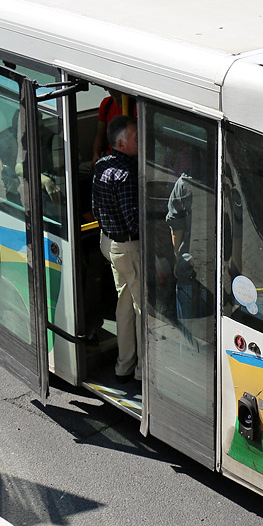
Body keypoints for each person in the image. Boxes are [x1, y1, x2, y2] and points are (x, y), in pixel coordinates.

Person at [92, 115, 142, 382]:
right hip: (130, 247)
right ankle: (143, 371)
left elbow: (97, 208)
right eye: (136, 137)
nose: (141, 140)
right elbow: (134, 220)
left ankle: (124, 365)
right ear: (122, 145)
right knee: (143, 309)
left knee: (124, 306)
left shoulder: (102, 166)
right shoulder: (127, 175)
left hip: (110, 244)